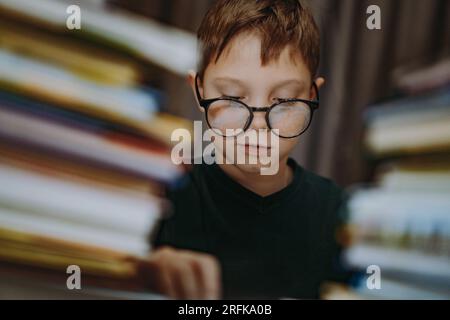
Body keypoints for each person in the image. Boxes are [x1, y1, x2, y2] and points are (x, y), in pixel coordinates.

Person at [147, 0, 350, 299]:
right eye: (231, 98)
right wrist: (142, 272)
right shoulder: (160, 199)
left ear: (311, 96)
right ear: (199, 91)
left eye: (283, 101)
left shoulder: (337, 212)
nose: (257, 125)